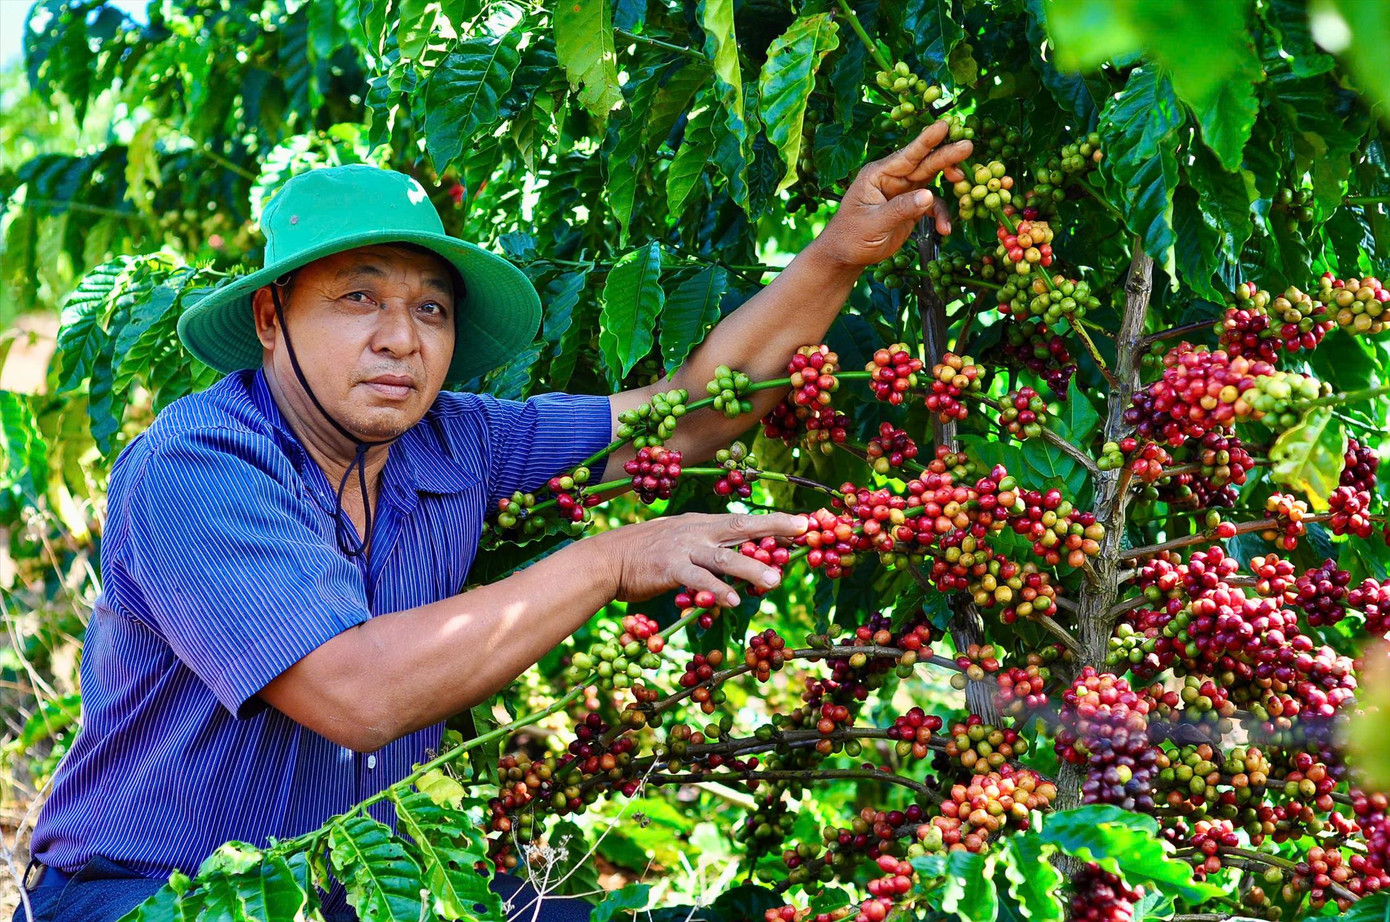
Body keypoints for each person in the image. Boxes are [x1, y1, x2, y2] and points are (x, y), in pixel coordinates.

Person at [13, 122, 969, 922]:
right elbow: (358, 695)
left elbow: (686, 413)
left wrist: (836, 255)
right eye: (358, 298)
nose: (402, 338)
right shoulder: (199, 466)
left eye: (431, 308)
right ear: (270, 318)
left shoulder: (454, 438)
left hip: (362, 885)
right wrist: (610, 560)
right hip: (147, 892)